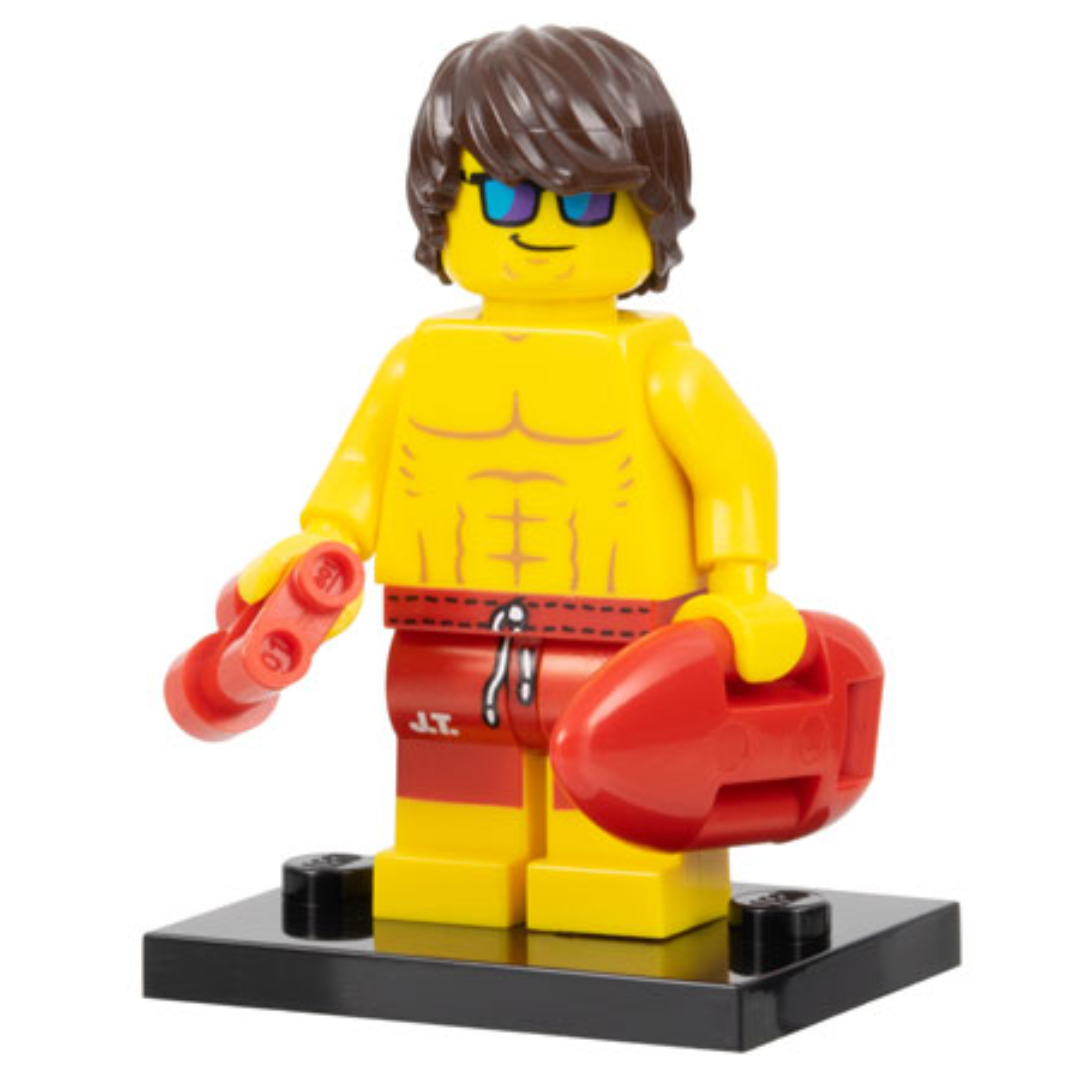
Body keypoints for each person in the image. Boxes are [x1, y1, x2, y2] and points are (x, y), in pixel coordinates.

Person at [237, 26, 806, 938]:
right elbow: (361, 471)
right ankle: (454, 875)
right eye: (505, 196)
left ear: (649, 212)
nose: (542, 226)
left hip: (623, 638)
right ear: (443, 206)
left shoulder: (666, 373)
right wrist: (323, 556)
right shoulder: (416, 366)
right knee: (452, 762)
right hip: (445, 629)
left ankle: (615, 877)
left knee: (616, 768)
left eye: (586, 203)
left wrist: (743, 587)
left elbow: (737, 466)